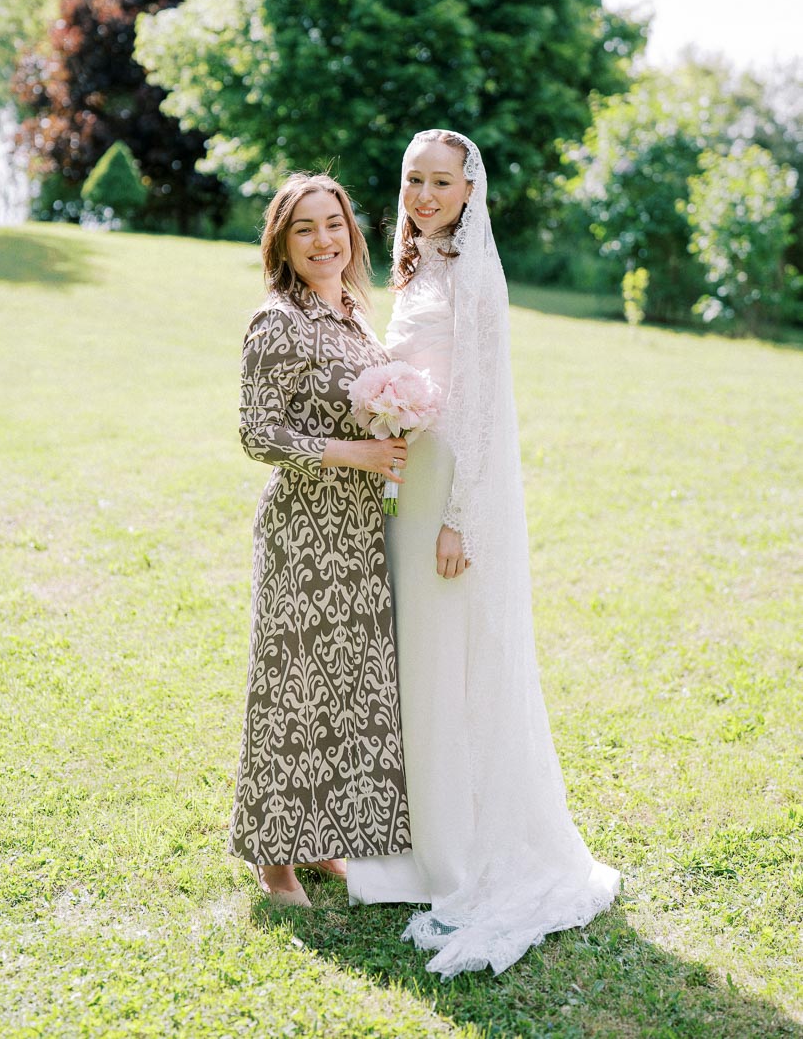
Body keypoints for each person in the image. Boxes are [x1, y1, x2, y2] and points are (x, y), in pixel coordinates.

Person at [347, 130, 619, 976]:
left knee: (457, 658)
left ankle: (469, 852)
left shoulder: (475, 275)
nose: (423, 195)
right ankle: (422, 839)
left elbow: (483, 406)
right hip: (411, 476)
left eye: (439, 182)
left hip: (451, 493)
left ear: (470, 189)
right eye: (412, 180)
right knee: (418, 660)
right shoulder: (418, 265)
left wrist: (458, 518)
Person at [228, 172, 411, 907]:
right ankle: (273, 858)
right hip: (306, 531)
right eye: (305, 228)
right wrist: (354, 454)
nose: (323, 240)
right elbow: (256, 433)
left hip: (363, 530)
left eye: (332, 224)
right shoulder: (278, 321)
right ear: (282, 241)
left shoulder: (353, 315)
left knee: (342, 687)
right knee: (289, 689)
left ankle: (323, 839)